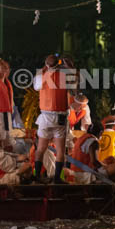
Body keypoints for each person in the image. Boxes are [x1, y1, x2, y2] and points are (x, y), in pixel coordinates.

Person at [32, 54, 75, 183]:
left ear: (46, 64)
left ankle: (37, 176)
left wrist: (44, 68)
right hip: (59, 117)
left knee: (40, 148)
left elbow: (35, 86)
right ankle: (57, 178)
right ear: (59, 65)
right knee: (61, 150)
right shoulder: (64, 76)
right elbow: (75, 84)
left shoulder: (41, 77)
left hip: (45, 117)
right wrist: (70, 66)